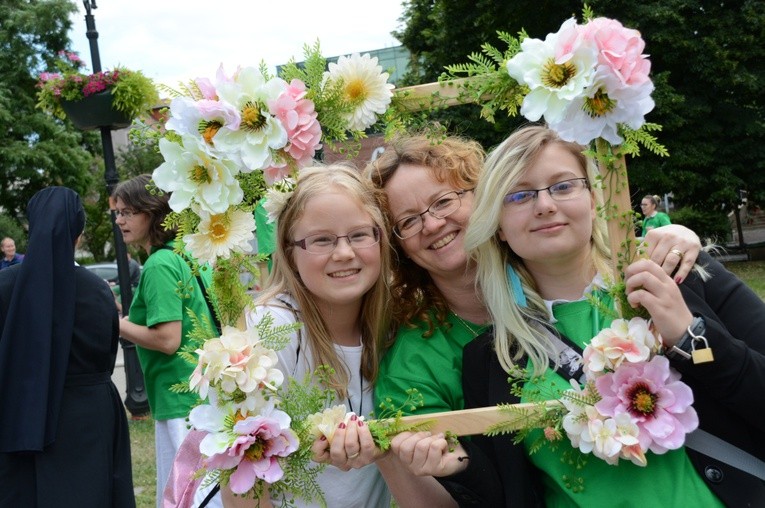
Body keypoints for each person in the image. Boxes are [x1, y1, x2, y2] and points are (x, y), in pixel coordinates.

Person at [412, 125, 765, 506]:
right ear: (497, 225)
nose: (545, 205)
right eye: (519, 195)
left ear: (594, 198)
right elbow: (507, 494)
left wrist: (691, 336)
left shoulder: (678, 276)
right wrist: (458, 469)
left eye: (563, 186)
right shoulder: (491, 361)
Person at [347, 134, 703, 504]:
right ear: (397, 245)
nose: (433, 224)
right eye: (409, 221)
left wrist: (678, 240)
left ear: (487, 199)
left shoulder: (569, 278)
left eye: (444, 201)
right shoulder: (414, 359)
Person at [217, 164, 390, 507]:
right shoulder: (270, 333)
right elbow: (242, 486)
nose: (344, 252)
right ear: (290, 251)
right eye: (321, 240)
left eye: (359, 234)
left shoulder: (393, 326)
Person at [0, 187, 134, 507]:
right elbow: (105, 354)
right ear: (78, 232)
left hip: (17, 411)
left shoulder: (5, 286)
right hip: (87, 412)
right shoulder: (97, 290)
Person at [113, 174, 221, 508]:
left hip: (178, 397)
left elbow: (167, 339)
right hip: (202, 393)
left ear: (154, 211)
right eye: (117, 212)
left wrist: (112, 323)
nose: (119, 220)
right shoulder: (185, 253)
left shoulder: (158, 264)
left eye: (128, 212)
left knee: (186, 498)